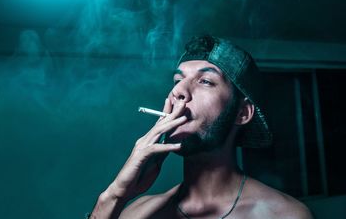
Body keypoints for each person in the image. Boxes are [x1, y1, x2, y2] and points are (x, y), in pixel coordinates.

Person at [89, 35, 313, 219]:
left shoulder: (285, 215)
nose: (179, 92)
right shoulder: (136, 214)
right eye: (178, 81)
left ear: (242, 113)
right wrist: (114, 196)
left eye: (205, 81)